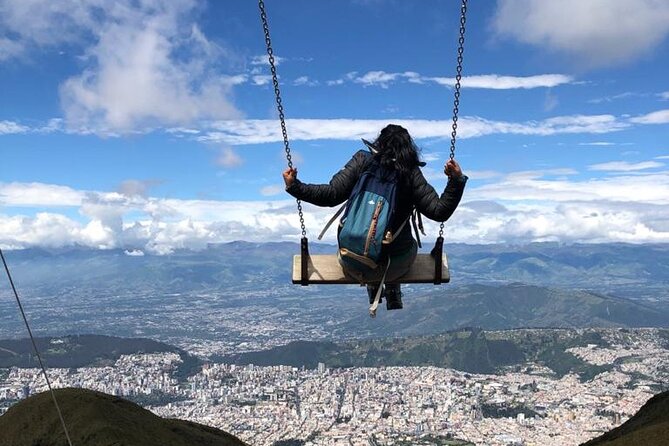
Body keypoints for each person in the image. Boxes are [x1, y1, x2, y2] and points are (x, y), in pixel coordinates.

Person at [283, 124, 467, 312]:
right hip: (397, 265)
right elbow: (439, 211)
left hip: (352, 262)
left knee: (364, 243)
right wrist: (456, 180)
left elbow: (331, 194)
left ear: (379, 142)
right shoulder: (410, 172)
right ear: (408, 148)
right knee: (406, 245)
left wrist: (295, 186)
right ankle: (393, 289)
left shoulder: (363, 160)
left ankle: (372, 284)